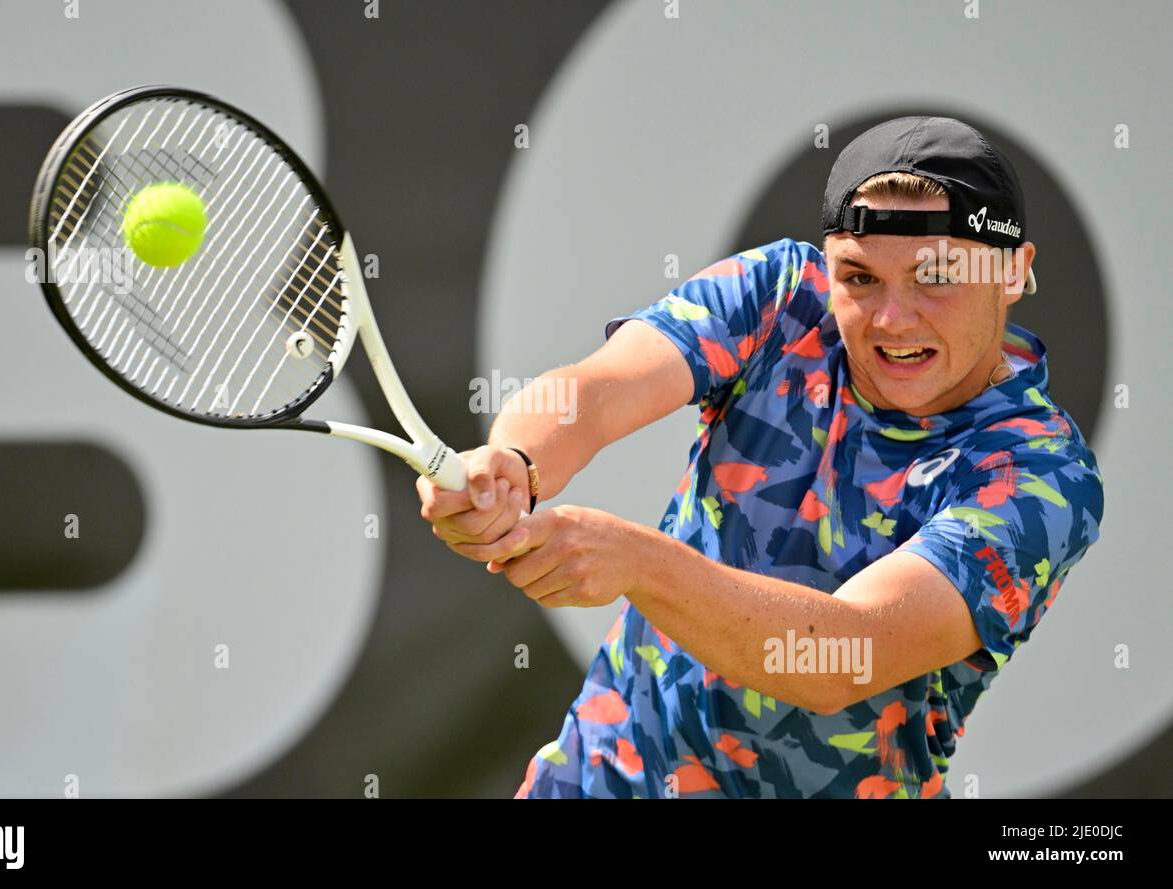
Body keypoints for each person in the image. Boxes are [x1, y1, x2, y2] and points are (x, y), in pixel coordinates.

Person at [416, 116, 1104, 798]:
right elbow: (596, 393)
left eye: (935, 277)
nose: (893, 318)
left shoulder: (1042, 474)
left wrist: (638, 563)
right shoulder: (779, 296)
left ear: (1013, 271)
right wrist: (515, 462)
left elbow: (841, 657)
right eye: (860, 279)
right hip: (601, 778)